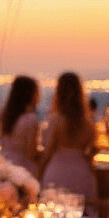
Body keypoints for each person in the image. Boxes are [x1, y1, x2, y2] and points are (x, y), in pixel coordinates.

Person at [39, 72, 97, 204]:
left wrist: (39, 174)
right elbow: (90, 152)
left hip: (57, 172)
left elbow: (48, 151)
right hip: (81, 172)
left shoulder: (56, 120)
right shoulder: (88, 123)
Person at [0, 76, 41, 175]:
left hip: (6, 167)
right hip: (24, 170)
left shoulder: (5, 117)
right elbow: (32, 153)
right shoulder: (30, 119)